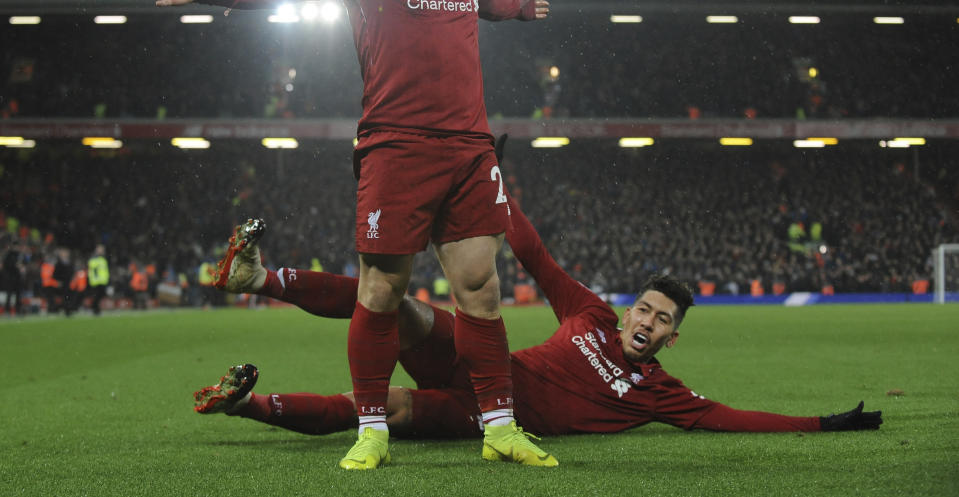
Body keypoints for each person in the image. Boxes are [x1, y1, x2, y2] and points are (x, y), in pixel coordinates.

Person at [145, 0, 552, 469]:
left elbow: (489, 3)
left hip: (472, 150)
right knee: (382, 292)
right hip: (398, 148)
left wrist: (518, 7)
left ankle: (500, 429)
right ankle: (372, 430)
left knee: (481, 289)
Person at [193, 195, 882, 448]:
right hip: (481, 367)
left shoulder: (659, 393)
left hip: (485, 420)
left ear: (673, 336)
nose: (646, 320)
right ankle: (258, 278)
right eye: (645, 306)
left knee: (383, 410)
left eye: (661, 319)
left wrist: (823, 424)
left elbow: (731, 417)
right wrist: (493, 184)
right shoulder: (590, 313)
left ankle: (246, 404)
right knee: (393, 302)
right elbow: (532, 253)